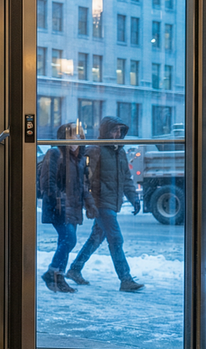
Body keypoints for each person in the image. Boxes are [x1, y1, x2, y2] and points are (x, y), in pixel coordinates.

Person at [66, 116, 145, 292]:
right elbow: (84, 178)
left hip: (111, 202)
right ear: (105, 131)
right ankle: (125, 279)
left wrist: (134, 198)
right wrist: (89, 203)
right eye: (114, 130)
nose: (117, 134)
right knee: (116, 239)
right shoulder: (95, 150)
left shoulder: (120, 152)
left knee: (96, 238)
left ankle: (75, 269)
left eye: (120, 131)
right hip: (100, 203)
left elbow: (126, 179)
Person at [40, 122, 94, 293]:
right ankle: (52, 272)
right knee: (69, 239)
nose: (76, 139)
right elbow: (47, 181)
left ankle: (59, 277)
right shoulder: (55, 153)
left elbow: (83, 185)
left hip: (74, 207)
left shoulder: (79, 159)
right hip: (58, 206)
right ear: (63, 137)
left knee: (64, 241)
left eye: (79, 136)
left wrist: (90, 204)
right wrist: (59, 199)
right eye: (72, 136)